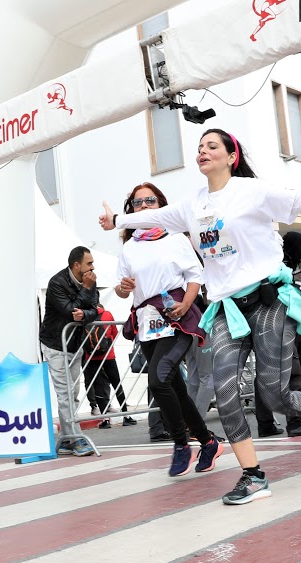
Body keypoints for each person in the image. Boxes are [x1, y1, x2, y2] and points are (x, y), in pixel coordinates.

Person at [101, 128, 301, 504]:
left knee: (276, 396)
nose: (202, 151)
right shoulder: (192, 205)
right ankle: (252, 475)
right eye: (199, 147)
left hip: (268, 303)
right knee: (224, 388)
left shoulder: (251, 191)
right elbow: (156, 214)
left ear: (231, 156)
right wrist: (117, 221)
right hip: (226, 309)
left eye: (211, 146)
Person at [111, 182, 224, 477]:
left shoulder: (175, 237)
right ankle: (208, 441)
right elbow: (123, 289)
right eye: (138, 203)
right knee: (174, 387)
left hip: (177, 318)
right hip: (146, 324)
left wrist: (186, 305)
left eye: (150, 200)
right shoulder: (129, 247)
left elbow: (195, 275)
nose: (145, 206)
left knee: (158, 381)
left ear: (161, 204)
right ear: (131, 211)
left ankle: (180, 444)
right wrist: (122, 288)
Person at [253, 232, 301, 439]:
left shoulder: (272, 266)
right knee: (295, 373)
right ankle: (296, 422)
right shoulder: (280, 268)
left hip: (268, 327)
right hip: (283, 326)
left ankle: (265, 425)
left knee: (265, 376)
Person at [39, 246, 99, 457]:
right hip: (56, 344)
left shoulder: (91, 280)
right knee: (65, 394)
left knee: (72, 394)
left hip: (75, 344)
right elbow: (69, 310)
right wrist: (85, 291)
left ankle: (65, 439)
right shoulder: (57, 283)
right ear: (76, 265)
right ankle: (75, 439)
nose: (92, 267)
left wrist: (85, 312)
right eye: (89, 263)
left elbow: (94, 310)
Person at [82, 303, 138, 428]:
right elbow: (114, 332)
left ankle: (105, 419)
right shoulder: (107, 314)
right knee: (116, 384)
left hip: (90, 356)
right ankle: (126, 416)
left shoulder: (84, 316)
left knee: (98, 386)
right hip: (108, 355)